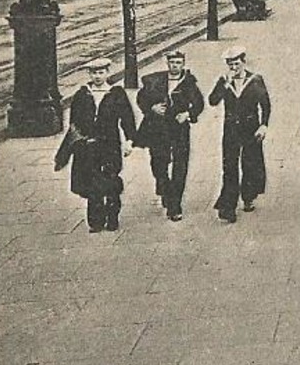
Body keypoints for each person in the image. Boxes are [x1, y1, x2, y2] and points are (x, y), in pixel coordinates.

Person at [55, 57, 136, 233]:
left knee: (111, 179)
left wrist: (129, 141)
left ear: (107, 73)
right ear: (89, 74)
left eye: (101, 72)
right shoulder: (82, 95)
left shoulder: (116, 94)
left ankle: (112, 215)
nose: (97, 76)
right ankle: (96, 221)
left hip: (110, 145)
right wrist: (77, 144)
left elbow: (127, 118)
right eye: (94, 73)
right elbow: (74, 123)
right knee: (92, 183)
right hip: (88, 146)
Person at [135, 50, 204, 221]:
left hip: (179, 129)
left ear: (183, 64)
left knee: (180, 165)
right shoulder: (155, 80)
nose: (175, 66)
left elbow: (199, 103)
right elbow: (141, 97)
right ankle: (164, 188)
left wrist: (187, 114)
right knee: (158, 162)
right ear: (167, 64)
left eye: (179, 63)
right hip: (158, 128)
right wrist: (151, 108)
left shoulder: (189, 83)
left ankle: (175, 205)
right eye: (172, 62)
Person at [208, 46, 271, 223]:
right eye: (230, 64)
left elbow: (266, 105)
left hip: (251, 127)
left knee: (250, 163)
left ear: (243, 62)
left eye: (236, 63)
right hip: (231, 129)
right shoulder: (224, 81)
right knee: (229, 166)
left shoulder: (255, 80)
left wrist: (264, 125)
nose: (234, 67)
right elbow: (212, 101)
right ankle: (228, 207)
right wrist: (225, 85)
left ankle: (248, 196)